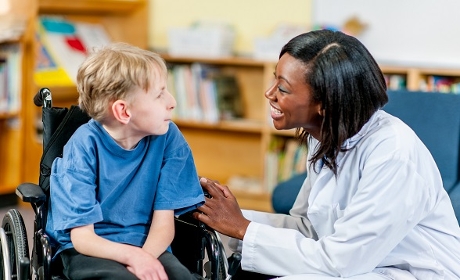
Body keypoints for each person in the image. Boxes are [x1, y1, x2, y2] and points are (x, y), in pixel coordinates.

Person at [193, 30, 460, 279]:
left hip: (412, 273)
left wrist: (243, 228)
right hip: (362, 264)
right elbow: (309, 229)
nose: (269, 93)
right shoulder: (325, 136)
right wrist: (228, 217)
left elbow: (341, 261)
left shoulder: (392, 154)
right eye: (274, 79)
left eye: (283, 88)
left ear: (325, 103)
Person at [45, 42, 205, 280]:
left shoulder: (169, 137)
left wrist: (144, 258)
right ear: (123, 112)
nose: (172, 101)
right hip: (88, 249)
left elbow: (164, 225)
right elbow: (83, 238)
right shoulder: (82, 148)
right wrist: (133, 259)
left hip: (148, 243)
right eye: (160, 93)